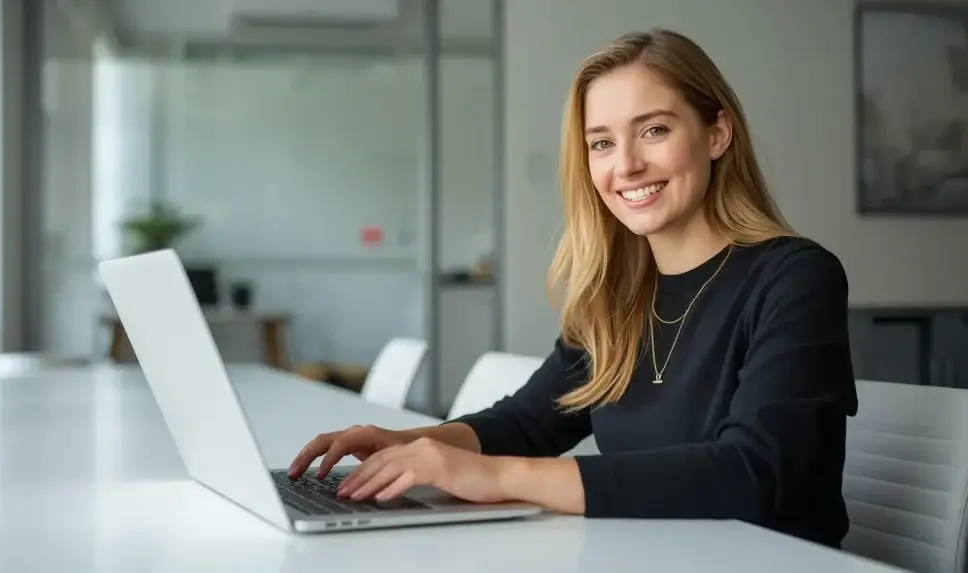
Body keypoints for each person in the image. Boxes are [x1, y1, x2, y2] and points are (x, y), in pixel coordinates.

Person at [288, 28, 858, 548]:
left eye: (654, 130)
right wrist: (412, 446)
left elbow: (751, 475)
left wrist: (496, 476)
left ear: (717, 133)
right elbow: (529, 422)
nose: (627, 165)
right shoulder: (616, 295)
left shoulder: (796, 278)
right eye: (602, 143)